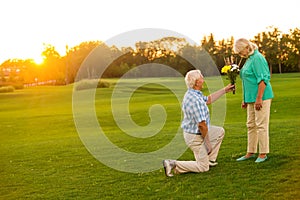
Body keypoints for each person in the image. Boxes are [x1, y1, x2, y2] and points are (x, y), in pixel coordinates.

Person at [163, 69, 235, 177]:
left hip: (195, 133)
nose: (203, 79)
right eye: (201, 77)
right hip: (194, 137)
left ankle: (209, 160)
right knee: (203, 167)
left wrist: (225, 90)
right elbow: (202, 125)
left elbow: (208, 100)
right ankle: (172, 163)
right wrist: (208, 144)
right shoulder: (195, 100)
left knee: (219, 132)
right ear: (197, 82)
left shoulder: (194, 94)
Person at [233, 38, 274, 163]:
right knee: (250, 125)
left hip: (261, 97)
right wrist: (245, 99)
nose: (241, 55)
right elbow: (247, 80)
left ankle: (263, 153)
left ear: (247, 47)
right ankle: (250, 152)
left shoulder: (257, 58)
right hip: (250, 98)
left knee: (261, 125)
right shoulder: (249, 59)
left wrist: (259, 98)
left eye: (241, 52)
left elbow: (263, 79)